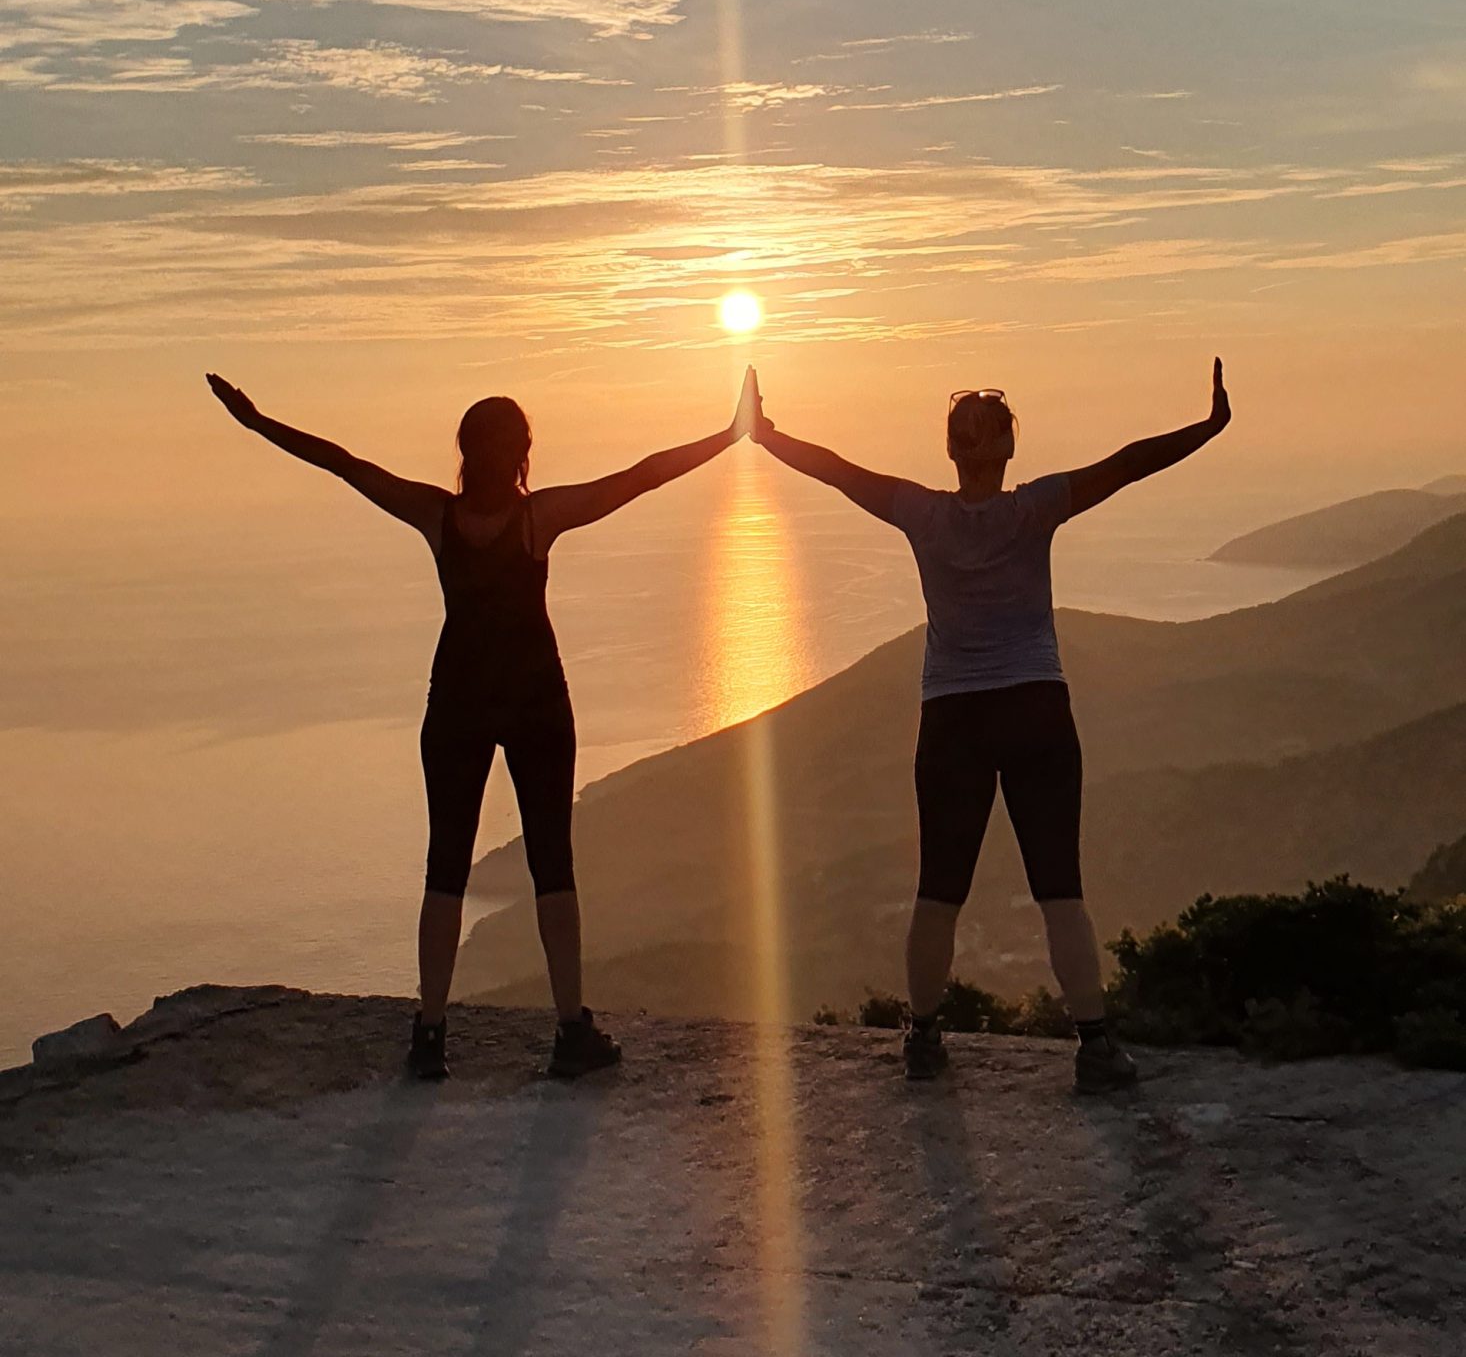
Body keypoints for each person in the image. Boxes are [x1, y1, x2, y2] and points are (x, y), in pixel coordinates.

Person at [206, 366, 755, 1081]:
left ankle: (430, 1034)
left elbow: (344, 464)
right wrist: (731, 433)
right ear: (524, 453)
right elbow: (642, 476)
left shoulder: (438, 517)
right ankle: (569, 1031)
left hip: (458, 702)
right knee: (552, 862)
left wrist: (257, 422)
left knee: (446, 866)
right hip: (536, 702)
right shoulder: (538, 519)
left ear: (463, 452)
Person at [745, 359, 1231, 1089]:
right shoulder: (1035, 508)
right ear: (1007, 447)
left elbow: (839, 472)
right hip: (1037, 707)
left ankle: (924, 1037)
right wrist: (1208, 426)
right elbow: (1129, 464)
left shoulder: (922, 512)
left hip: (952, 718)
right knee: (1059, 886)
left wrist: (765, 435)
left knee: (938, 887)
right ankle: (1095, 1045)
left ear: (951, 451)